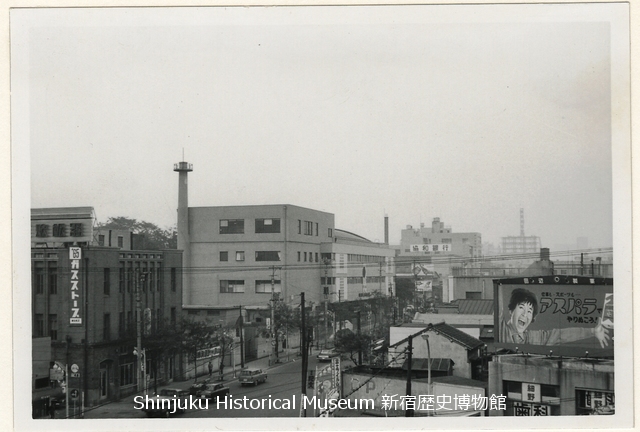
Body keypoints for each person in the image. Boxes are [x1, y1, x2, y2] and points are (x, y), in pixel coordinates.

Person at [499, 288, 610, 348]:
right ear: (511, 310)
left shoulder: (533, 338)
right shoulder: (502, 330)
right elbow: (498, 307)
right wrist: (498, 284)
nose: (525, 314)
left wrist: (592, 331)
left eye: (529, 311)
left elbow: (560, 335)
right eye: (521, 307)